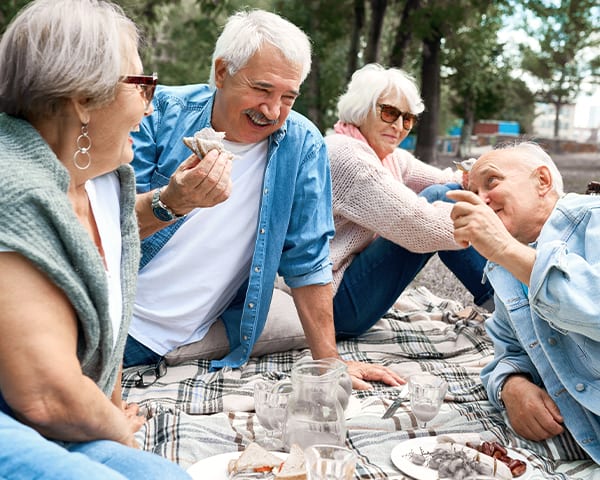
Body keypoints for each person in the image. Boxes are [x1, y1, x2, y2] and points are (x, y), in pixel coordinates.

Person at [123, 10, 402, 390]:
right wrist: (170, 202)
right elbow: (103, 226)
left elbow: (308, 258)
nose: (272, 111)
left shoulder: (302, 144)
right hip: (105, 320)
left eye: (288, 97)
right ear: (222, 72)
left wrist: (330, 362)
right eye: (261, 89)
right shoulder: (156, 114)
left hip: (173, 344)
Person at [0, 1, 191, 478]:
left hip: (53, 423)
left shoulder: (106, 183)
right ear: (83, 97)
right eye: (143, 85)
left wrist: (112, 406)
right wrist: (118, 430)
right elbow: (46, 396)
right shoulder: (14, 191)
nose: (151, 105)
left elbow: (108, 316)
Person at [448, 141, 600, 462]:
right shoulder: (504, 269)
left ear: (542, 181)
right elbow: (508, 351)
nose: (481, 201)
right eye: (473, 193)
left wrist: (506, 249)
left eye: (492, 182)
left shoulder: (593, 220)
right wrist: (511, 387)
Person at [326, 63, 494, 338]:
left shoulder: (382, 153)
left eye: (407, 119)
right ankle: (510, 306)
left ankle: (504, 301)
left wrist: (484, 179)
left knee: (447, 193)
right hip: (331, 306)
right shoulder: (347, 156)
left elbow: (444, 179)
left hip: (348, 289)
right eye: (390, 112)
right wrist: (494, 227)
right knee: (446, 202)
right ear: (362, 107)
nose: (398, 126)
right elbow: (419, 225)